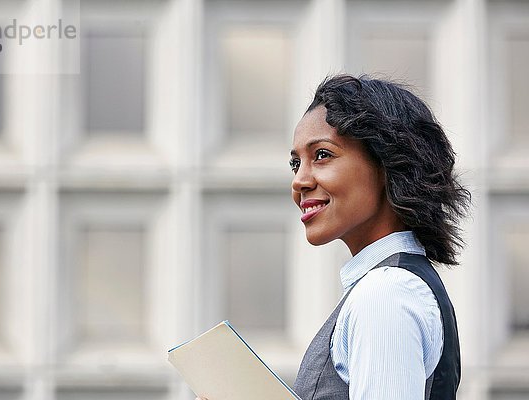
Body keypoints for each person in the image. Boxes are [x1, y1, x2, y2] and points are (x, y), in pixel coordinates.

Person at [199, 74, 470, 400]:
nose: (299, 180)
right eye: (295, 163)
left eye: (323, 155)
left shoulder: (385, 293)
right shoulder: (395, 285)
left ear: (387, 164)